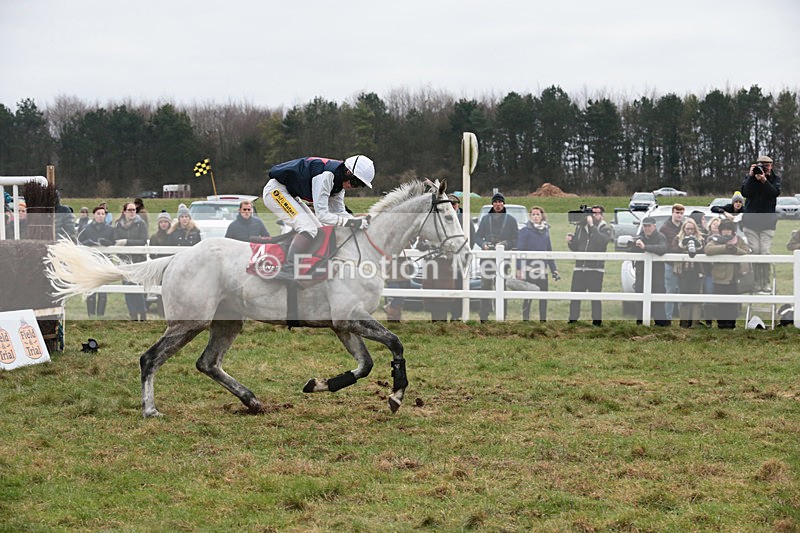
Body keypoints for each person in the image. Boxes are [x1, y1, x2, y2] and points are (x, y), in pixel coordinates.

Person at [262, 155, 375, 280]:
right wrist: (351, 223)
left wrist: (358, 220)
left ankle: (304, 265)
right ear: (348, 172)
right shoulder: (326, 176)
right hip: (276, 192)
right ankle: (288, 269)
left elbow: (338, 211)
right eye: (355, 182)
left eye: (359, 185)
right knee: (308, 229)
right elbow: (322, 215)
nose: (353, 187)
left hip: (290, 194)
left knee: (319, 231)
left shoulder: (338, 183)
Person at [475, 193, 519, 322]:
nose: (498, 204)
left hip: (503, 259)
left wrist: (505, 244)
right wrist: (483, 244)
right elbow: (478, 237)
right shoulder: (485, 219)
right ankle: (484, 316)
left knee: (502, 286)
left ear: (503, 204)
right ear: (492, 204)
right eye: (495, 202)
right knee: (485, 286)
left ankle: (502, 316)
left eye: (500, 202)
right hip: (487, 258)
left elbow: (516, 240)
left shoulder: (511, 220)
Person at [566, 205, 611, 326]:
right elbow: (576, 247)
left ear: (602, 215)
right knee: (575, 295)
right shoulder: (580, 227)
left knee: (595, 297)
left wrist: (592, 226)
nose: (594, 215)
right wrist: (570, 242)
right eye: (592, 213)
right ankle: (573, 320)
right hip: (580, 268)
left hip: (596, 269)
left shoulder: (605, 228)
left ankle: (597, 322)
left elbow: (601, 241)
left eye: (597, 213)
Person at [742, 155, 781, 293]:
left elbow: (774, 193)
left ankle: (766, 282)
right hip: (751, 223)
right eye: (762, 165)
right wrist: (751, 176)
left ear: (771, 166)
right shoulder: (750, 179)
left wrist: (765, 180)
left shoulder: (775, 179)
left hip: (767, 223)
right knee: (756, 252)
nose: (764, 168)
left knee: (764, 252)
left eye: (767, 165)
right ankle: (757, 282)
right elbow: (745, 192)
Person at [704, 219, 751, 329]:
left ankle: (731, 325)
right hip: (720, 277)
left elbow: (746, 251)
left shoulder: (738, 240)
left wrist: (734, 250)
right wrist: (725, 248)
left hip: (735, 278)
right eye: (724, 230)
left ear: (732, 230)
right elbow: (708, 250)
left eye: (728, 230)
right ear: (720, 231)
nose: (726, 232)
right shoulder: (715, 240)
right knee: (721, 303)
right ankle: (721, 325)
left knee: (733, 303)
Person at [516, 206, 559, 321]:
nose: (535, 217)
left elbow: (549, 250)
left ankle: (543, 320)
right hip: (529, 269)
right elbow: (519, 250)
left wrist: (553, 269)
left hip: (543, 269)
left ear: (542, 216)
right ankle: (525, 319)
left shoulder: (546, 231)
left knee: (543, 296)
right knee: (529, 295)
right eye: (533, 214)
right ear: (530, 216)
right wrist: (519, 268)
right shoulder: (525, 231)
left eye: (538, 214)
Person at [630, 216, 670, 326]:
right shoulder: (640, 237)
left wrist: (645, 247)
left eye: (649, 226)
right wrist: (634, 245)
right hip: (641, 274)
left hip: (656, 275)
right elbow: (631, 253)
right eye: (645, 226)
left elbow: (662, 249)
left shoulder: (660, 236)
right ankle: (641, 323)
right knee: (640, 299)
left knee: (658, 300)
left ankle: (661, 324)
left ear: (654, 226)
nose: (647, 228)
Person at [114, 201, 149, 321]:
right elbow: (115, 239)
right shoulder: (118, 225)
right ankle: (132, 314)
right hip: (124, 260)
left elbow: (143, 240)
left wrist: (127, 242)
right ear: (124, 212)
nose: (132, 212)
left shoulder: (141, 224)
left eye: (134, 210)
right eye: (129, 210)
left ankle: (142, 312)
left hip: (138, 260)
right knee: (126, 287)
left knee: (137, 286)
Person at [78, 206, 115, 316]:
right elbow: (79, 242)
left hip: (104, 262)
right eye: (98, 213)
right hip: (90, 262)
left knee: (103, 292)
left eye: (103, 214)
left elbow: (113, 242)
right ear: (94, 215)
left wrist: (107, 242)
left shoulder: (110, 229)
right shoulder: (86, 228)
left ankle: (100, 315)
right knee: (91, 290)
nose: (100, 216)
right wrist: (87, 243)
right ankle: (91, 314)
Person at [669, 217, 705, 328]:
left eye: (692, 229)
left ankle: (695, 322)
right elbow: (672, 250)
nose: (689, 231)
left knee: (696, 297)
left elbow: (705, 252)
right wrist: (682, 245)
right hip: (683, 271)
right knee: (683, 296)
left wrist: (698, 246)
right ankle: (684, 323)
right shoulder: (678, 238)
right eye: (687, 228)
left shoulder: (701, 239)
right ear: (683, 228)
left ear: (695, 229)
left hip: (697, 271)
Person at [658, 203, 684, 322]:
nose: (679, 215)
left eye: (681, 213)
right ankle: (667, 318)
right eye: (677, 213)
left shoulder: (684, 227)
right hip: (669, 264)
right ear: (672, 213)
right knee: (670, 291)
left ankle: (682, 319)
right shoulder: (665, 228)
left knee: (682, 291)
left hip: (683, 264)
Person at [148, 211, 173, 317]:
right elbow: (151, 254)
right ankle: (161, 313)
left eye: (165, 221)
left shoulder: (173, 235)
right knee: (160, 292)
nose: (163, 224)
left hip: (172, 266)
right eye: (161, 222)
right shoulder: (154, 237)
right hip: (160, 268)